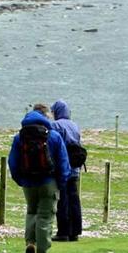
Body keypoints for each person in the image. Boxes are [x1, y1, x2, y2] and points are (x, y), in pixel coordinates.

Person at [8, 110, 71, 253]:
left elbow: (13, 162)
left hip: (28, 183)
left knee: (31, 212)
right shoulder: (54, 136)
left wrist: (20, 180)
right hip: (48, 181)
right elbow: (63, 162)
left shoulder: (19, 138)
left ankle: (30, 242)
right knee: (45, 217)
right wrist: (60, 183)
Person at [50, 99, 83, 242]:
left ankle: (63, 231)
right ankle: (75, 231)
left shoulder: (56, 125)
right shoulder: (74, 125)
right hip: (75, 167)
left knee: (62, 200)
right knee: (74, 199)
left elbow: (55, 145)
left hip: (62, 167)